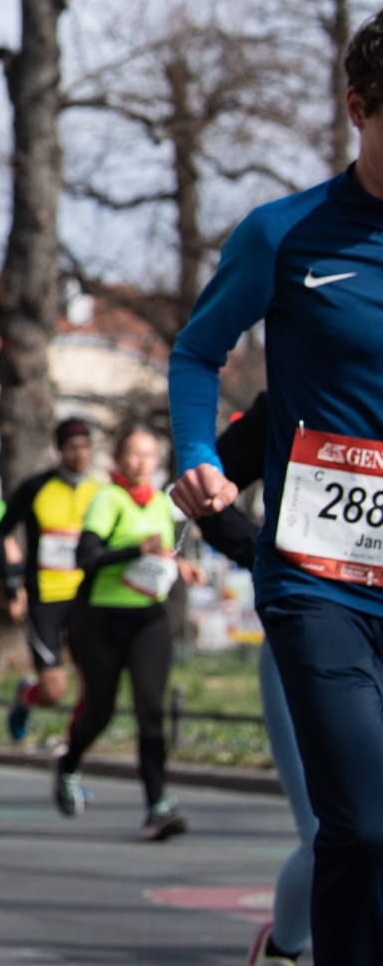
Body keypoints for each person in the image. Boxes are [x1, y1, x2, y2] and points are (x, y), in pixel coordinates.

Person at [167, 13, 383, 966]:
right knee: (365, 826)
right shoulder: (286, 234)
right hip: (319, 577)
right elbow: (197, 351)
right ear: (357, 110)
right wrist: (196, 450)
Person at [191, 395, 312, 965]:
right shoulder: (304, 383)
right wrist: (263, 555)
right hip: (314, 635)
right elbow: (205, 488)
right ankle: (283, 950)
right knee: (337, 834)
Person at [51, 425, 196, 838]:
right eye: (133, 454)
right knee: (100, 710)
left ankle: (157, 806)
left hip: (149, 618)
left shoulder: (162, 504)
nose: (141, 463)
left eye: (148, 456)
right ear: (118, 458)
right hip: (100, 618)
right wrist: (136, 549)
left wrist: (180, 567)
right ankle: (69, 761)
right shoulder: (107, 500)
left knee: (151, 708)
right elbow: (87, 557)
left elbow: (161, 558)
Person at [0, 418, 102, 741]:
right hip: (44, 598)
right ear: (60, 451)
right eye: (73, 448)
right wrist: (12, 585)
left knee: (92, 682)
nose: (80, 455)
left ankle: (72, 748)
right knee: (54, 690)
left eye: (85, 448)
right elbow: (0, 533)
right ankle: (26, 696)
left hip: (86, 597)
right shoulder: (35, 488)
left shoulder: (100, 493)